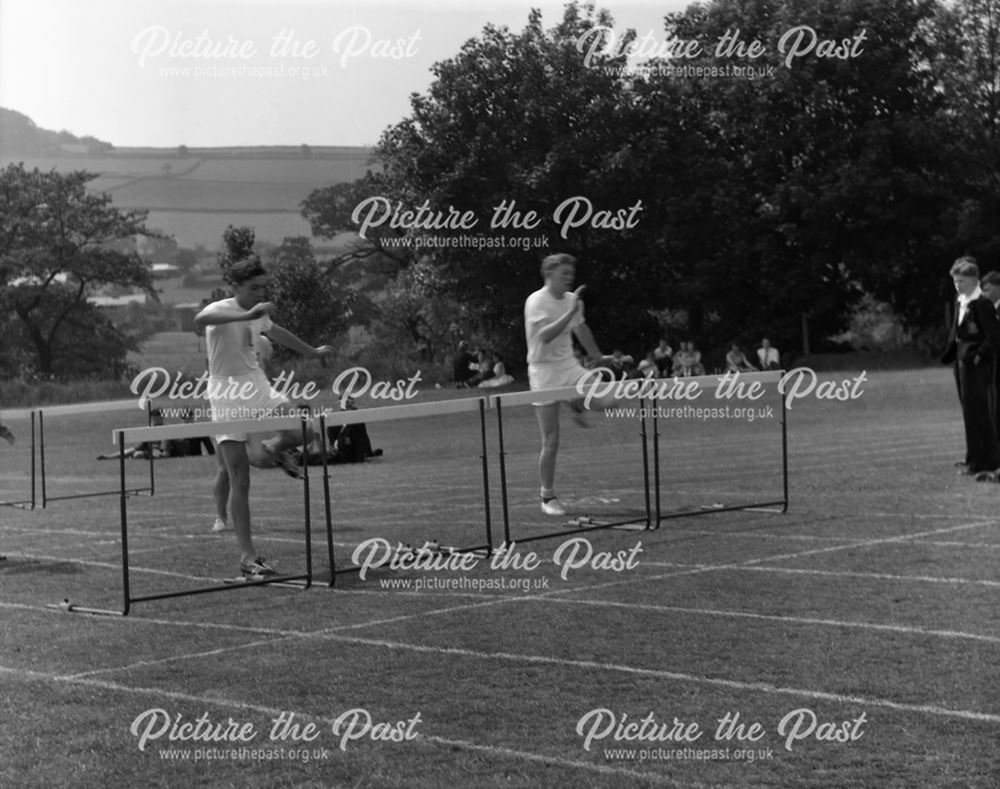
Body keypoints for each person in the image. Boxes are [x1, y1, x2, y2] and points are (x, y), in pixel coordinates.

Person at [195, 255, 334, 576]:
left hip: (256, 385)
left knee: (305, 431)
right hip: (226, 395)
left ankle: (273, 449)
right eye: (254, 287)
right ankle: (248, 557)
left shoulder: (258, 316)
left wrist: (312, 351)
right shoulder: (222, 309)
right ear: (237, 286)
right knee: (239, 477)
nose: (260, 293)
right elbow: (200, 320)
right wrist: (248, 313)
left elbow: (278, 332)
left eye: (262, 288)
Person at [524, 252, 616, 517]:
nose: (569, 278)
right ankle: (547, 496)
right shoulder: (536, 301)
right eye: (564, 274)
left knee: (611, 400)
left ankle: (576, 403)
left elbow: (581, 330)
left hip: (569, 366)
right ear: (549, 274)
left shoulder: (572, 301)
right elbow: (546, 336)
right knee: (551, 440)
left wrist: (600, 358)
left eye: (571, 274)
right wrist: (570, 311)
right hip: (543, 373)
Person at [940, 257, 1000, 477]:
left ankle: (987, 460)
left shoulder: (981, 303)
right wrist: (950, 353)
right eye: (955, 281)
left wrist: (978, 356)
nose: (958, 285)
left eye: (962, 281)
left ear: (975, 281)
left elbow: (993, 336)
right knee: (969, 412)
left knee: (979, 413)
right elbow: (957, 332)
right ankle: (973, 457)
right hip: (962, 363)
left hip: (977, 365)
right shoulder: (960, 301)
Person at [97, 409, 166, 460]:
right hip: (150, 451)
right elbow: (136, 448)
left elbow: (166, 450)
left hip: (160, 453)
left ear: (162, 419)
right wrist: (110, 456)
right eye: (153, 420)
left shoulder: (167, 430)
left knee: (137, 454)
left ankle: (128, 457)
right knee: (134, 452)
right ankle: (110, 457)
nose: (155, 423)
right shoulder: (149, 432)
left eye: (157, 420)